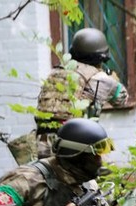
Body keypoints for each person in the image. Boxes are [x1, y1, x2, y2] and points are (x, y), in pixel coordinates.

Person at [34, 27, 128, 161]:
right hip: (77, 146)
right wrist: (113, 80)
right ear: (102, 57)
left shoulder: (56, 72)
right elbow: (121, 100)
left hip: (42, 145)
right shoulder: (101, 78)